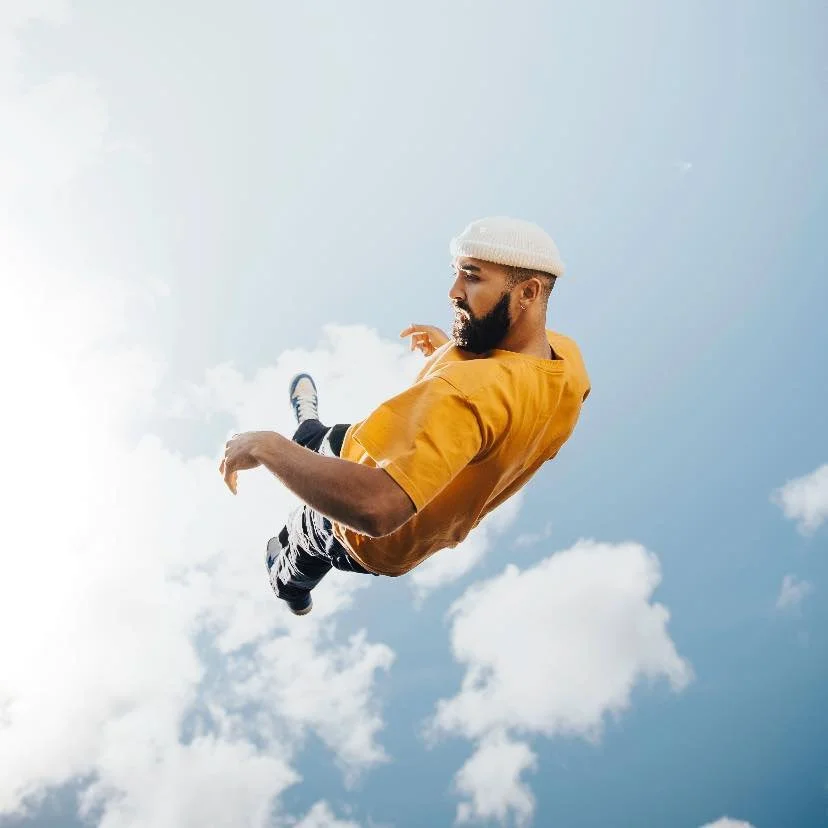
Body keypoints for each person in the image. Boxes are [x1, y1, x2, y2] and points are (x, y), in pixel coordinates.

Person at [219, 217, 591, 615]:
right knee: (325, 439)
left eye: (471, 277)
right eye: (455, 273)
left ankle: (289, 584)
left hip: (364, 535)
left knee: (303, 534)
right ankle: (307, 431)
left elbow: (375, 507)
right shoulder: (569, 364)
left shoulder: (468, 396)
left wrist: (264, 446)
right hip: (384, 450)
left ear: (528, 292)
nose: (453, 292)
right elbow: (506, 399)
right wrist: (451, 350)